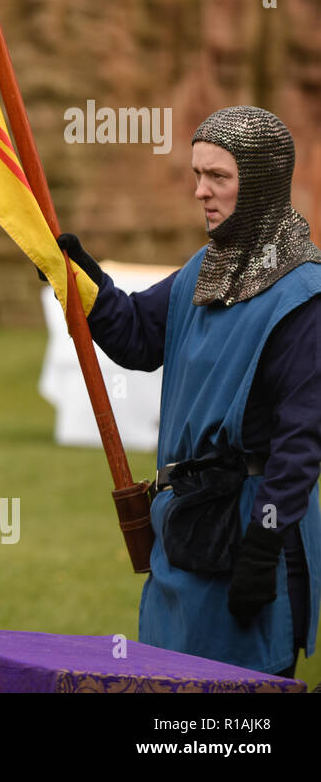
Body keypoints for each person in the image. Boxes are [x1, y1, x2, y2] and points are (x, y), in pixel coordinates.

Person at [64, 106, 320, 677]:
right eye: (197, 175)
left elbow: (300, 442)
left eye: (219, 178)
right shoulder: (205, 268)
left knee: (240, 713)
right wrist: (80, 280)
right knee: (168, 688)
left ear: (258, 184)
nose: (201, 192)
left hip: (255, 532)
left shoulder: (304, 295)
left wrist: (262, 547)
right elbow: (136, 336)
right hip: (186, 527)